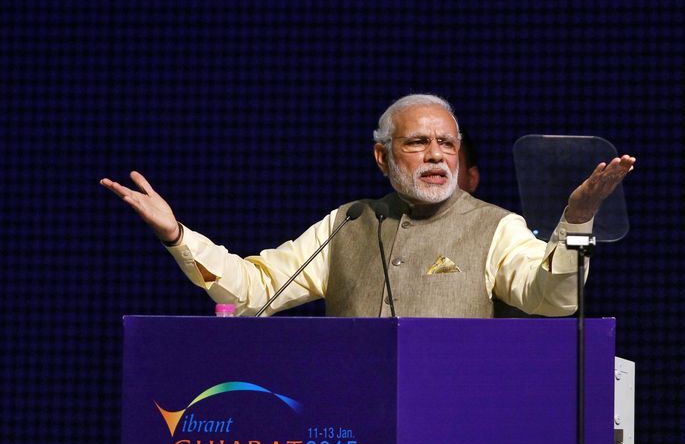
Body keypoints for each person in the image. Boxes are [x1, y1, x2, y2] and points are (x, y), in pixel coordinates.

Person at [101, 94, 635, 318]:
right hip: (345, 435)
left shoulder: (496, 226)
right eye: (418, 143)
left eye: (446, 144)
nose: (436, 156)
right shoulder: (348, 222)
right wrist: (177, 235)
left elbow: (552, 297)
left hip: (451, 427)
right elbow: (254, 288)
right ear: (382, 156)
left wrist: (577, 219)